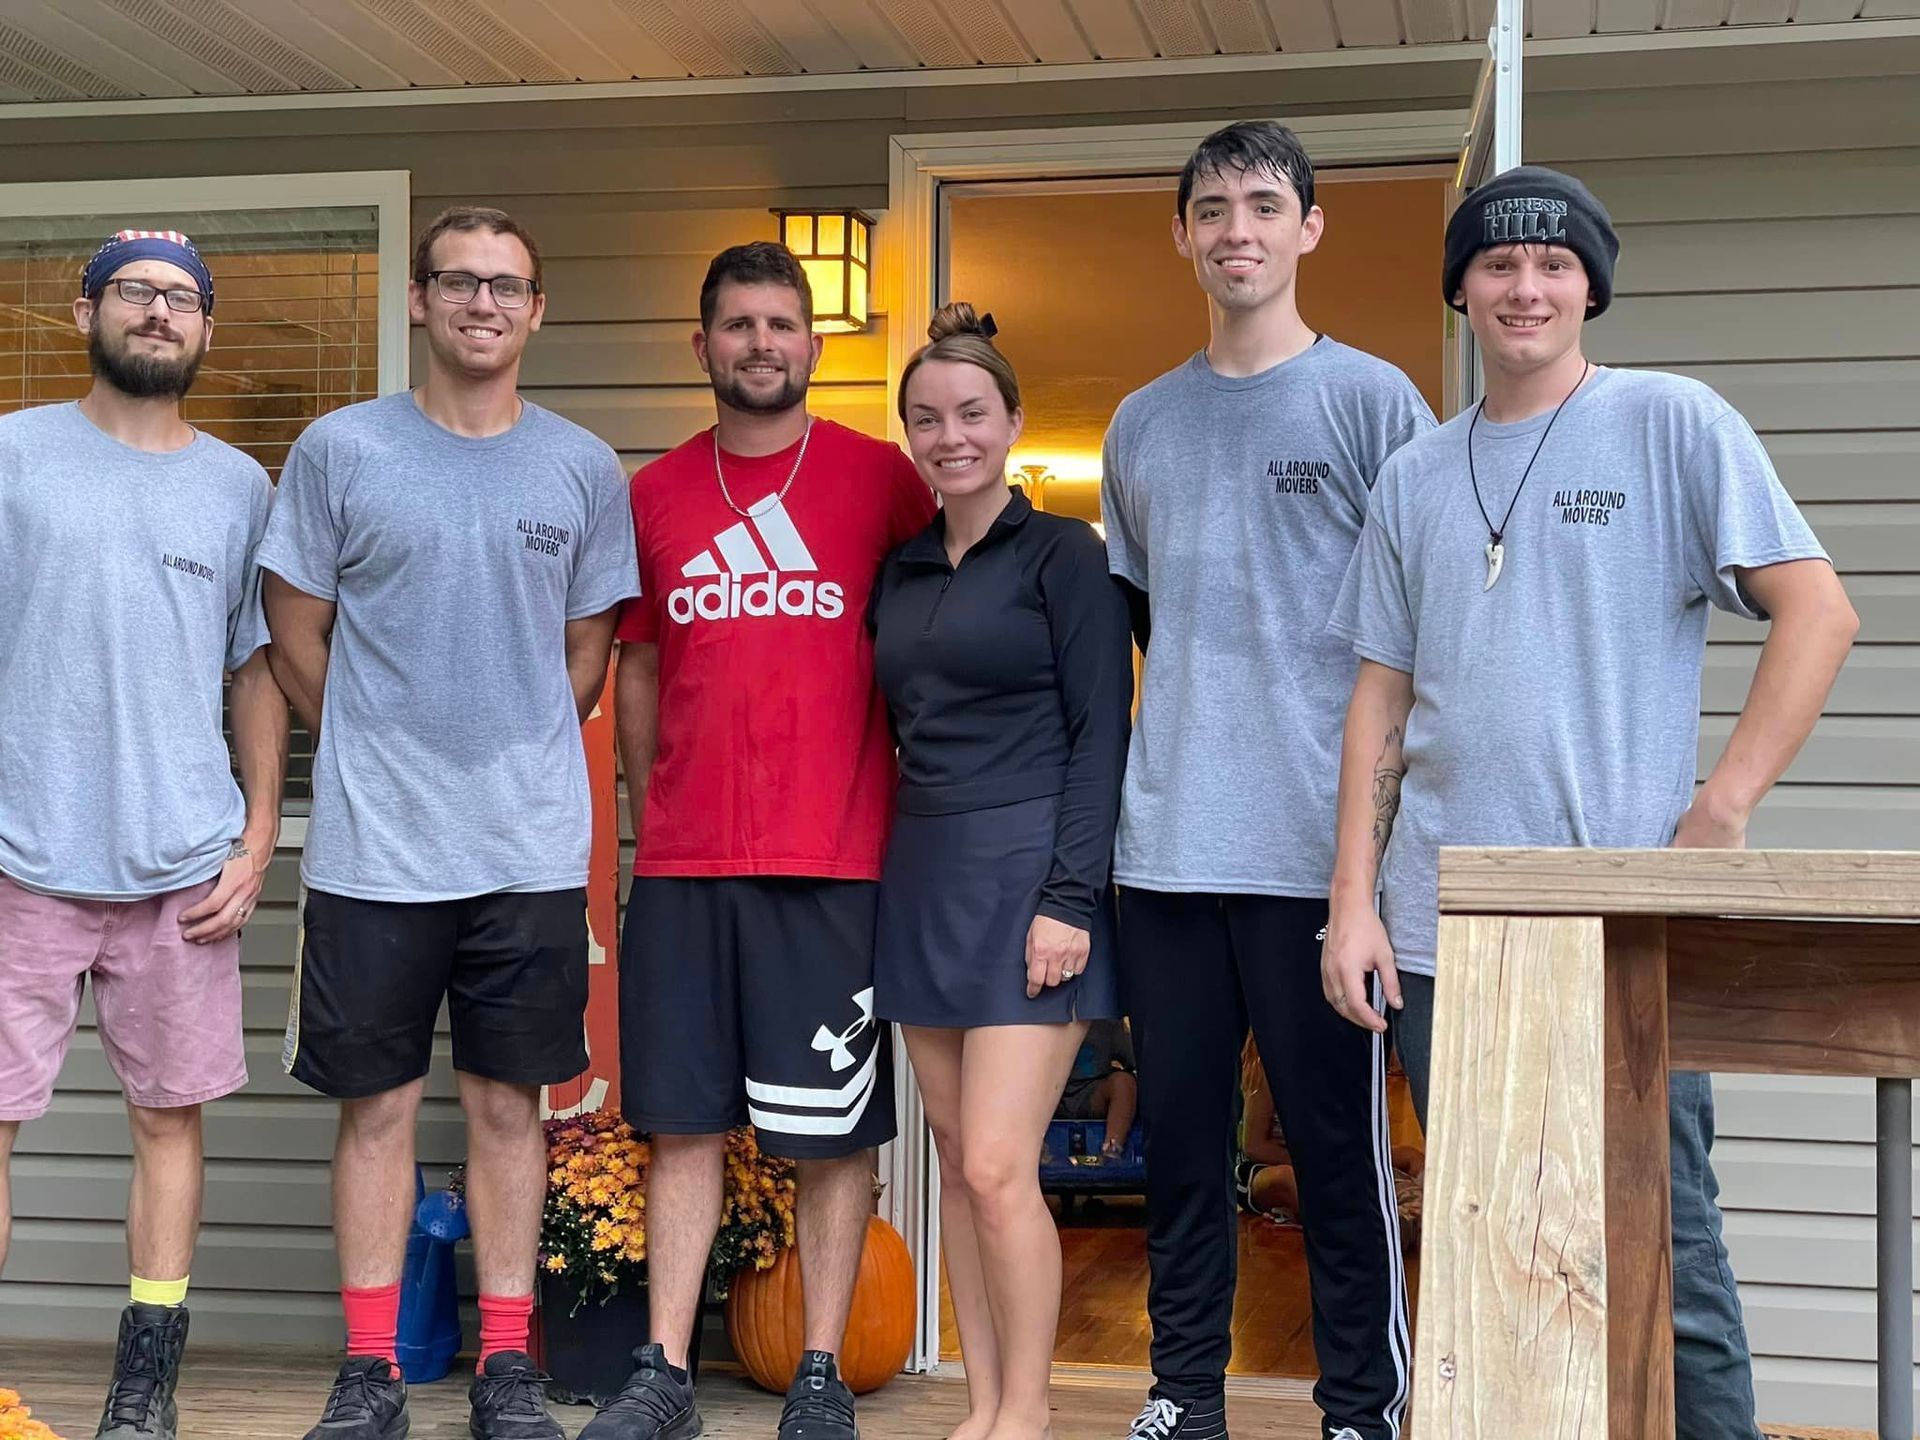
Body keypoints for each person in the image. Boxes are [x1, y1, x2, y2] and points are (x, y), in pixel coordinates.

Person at [1322, 165, 1859, 1440]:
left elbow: (1818, 611)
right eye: (1498, 265)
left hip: (1621, 921)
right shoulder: (1413, 476)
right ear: (1461, 287)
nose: (1525, 286)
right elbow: (1379, 704)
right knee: (1487, 1253)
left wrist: (1721, 813)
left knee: (1663, 1243)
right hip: (1444, 932)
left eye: (1554, 265)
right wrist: (1353, 901)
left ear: (1591, 289)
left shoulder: (1672, 424)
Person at [261, 205, 638, 1440]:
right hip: (376, 852)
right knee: (372, 1105)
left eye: (508, 285)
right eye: (460, 281)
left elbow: (587, 655)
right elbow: (292, 630)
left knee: (505, 1107)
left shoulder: (581, 468)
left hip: (525, 847)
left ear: (539, 311)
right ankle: (370, 1369)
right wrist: (374, 744)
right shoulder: (339, 451)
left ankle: (509, 1370)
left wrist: (502, 739)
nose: (484, 302)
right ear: (418, 301)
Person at [1099, 121, 1433, 1440]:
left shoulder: (1371, 400)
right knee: (1181, 1152)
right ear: (1182, 235)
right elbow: (1144, 628)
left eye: (1263, 203)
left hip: (1314, 858)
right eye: (1212, 207)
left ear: (1308, 228)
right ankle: (1184, 1394)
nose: (1236, 226)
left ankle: (1361, 1407)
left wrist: (1373, 855)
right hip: (1167, 853)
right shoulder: (1138, 425)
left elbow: (1408, 647)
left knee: (1339, 1158)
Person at [584, 242, 934, 1440]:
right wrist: (643, 821)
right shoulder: (657, 495)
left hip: (835, 859)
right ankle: (665, 1369)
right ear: (703, 347)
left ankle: (822, 1369)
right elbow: (636, 669)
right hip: (685, 864)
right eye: (738, 325)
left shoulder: (884, 482)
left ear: (814, 348)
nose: (762, 344)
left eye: (782, 324)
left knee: (831, 1135)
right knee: (680, 1123)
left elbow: (948, 625)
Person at [0, 227, 284, 1440]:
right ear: (84, 315)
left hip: (183, 865)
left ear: (208, 329)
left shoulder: (238, 487)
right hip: (18, 851)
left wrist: (261, 833)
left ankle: (144, 1382)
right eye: (135, 294)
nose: (158, 314)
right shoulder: (12, 457)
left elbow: (256, 671)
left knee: (171, 1119)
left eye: (182, 299)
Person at [869, 303, 1134, 1440]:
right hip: (922, 874)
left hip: (1033, 874)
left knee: (994, 1164)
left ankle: (1025, 1411)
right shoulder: (901, 568)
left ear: (1012, 421)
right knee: (958, 1171)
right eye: (926, 418)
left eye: (972, 412)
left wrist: (1070, 898)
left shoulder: (1065, 554)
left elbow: (1103, 732)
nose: (950, 435)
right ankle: (979, 1407)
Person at [1057, 1020, 1138, 1161]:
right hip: (1047, 1096)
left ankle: (1112, 1149)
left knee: (1123, 1082)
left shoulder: (1107, 1020)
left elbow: (1134, 1058)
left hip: (1091, 1093)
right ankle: (1033, 1152)